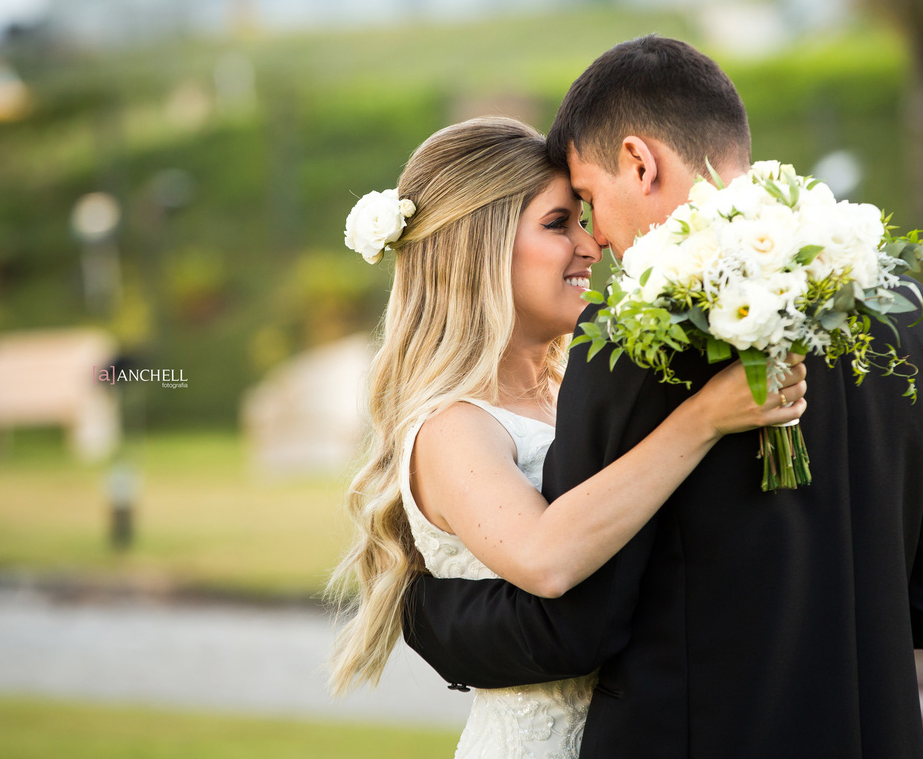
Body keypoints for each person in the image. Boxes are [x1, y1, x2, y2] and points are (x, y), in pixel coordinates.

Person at [401, 36, 923, 759]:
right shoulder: (909, 314)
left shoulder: (639, 347)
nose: (597, 240)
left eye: (586, 202)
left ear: (639, 163)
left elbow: (576, 624)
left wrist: (424, 610)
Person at [326, 116, 808, 758]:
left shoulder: (576, 393)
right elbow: (547, 561)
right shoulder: (452, 426)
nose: (591, 245)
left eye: (584, 220)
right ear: (481, 247)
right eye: (559, 225)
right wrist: (705, 418)